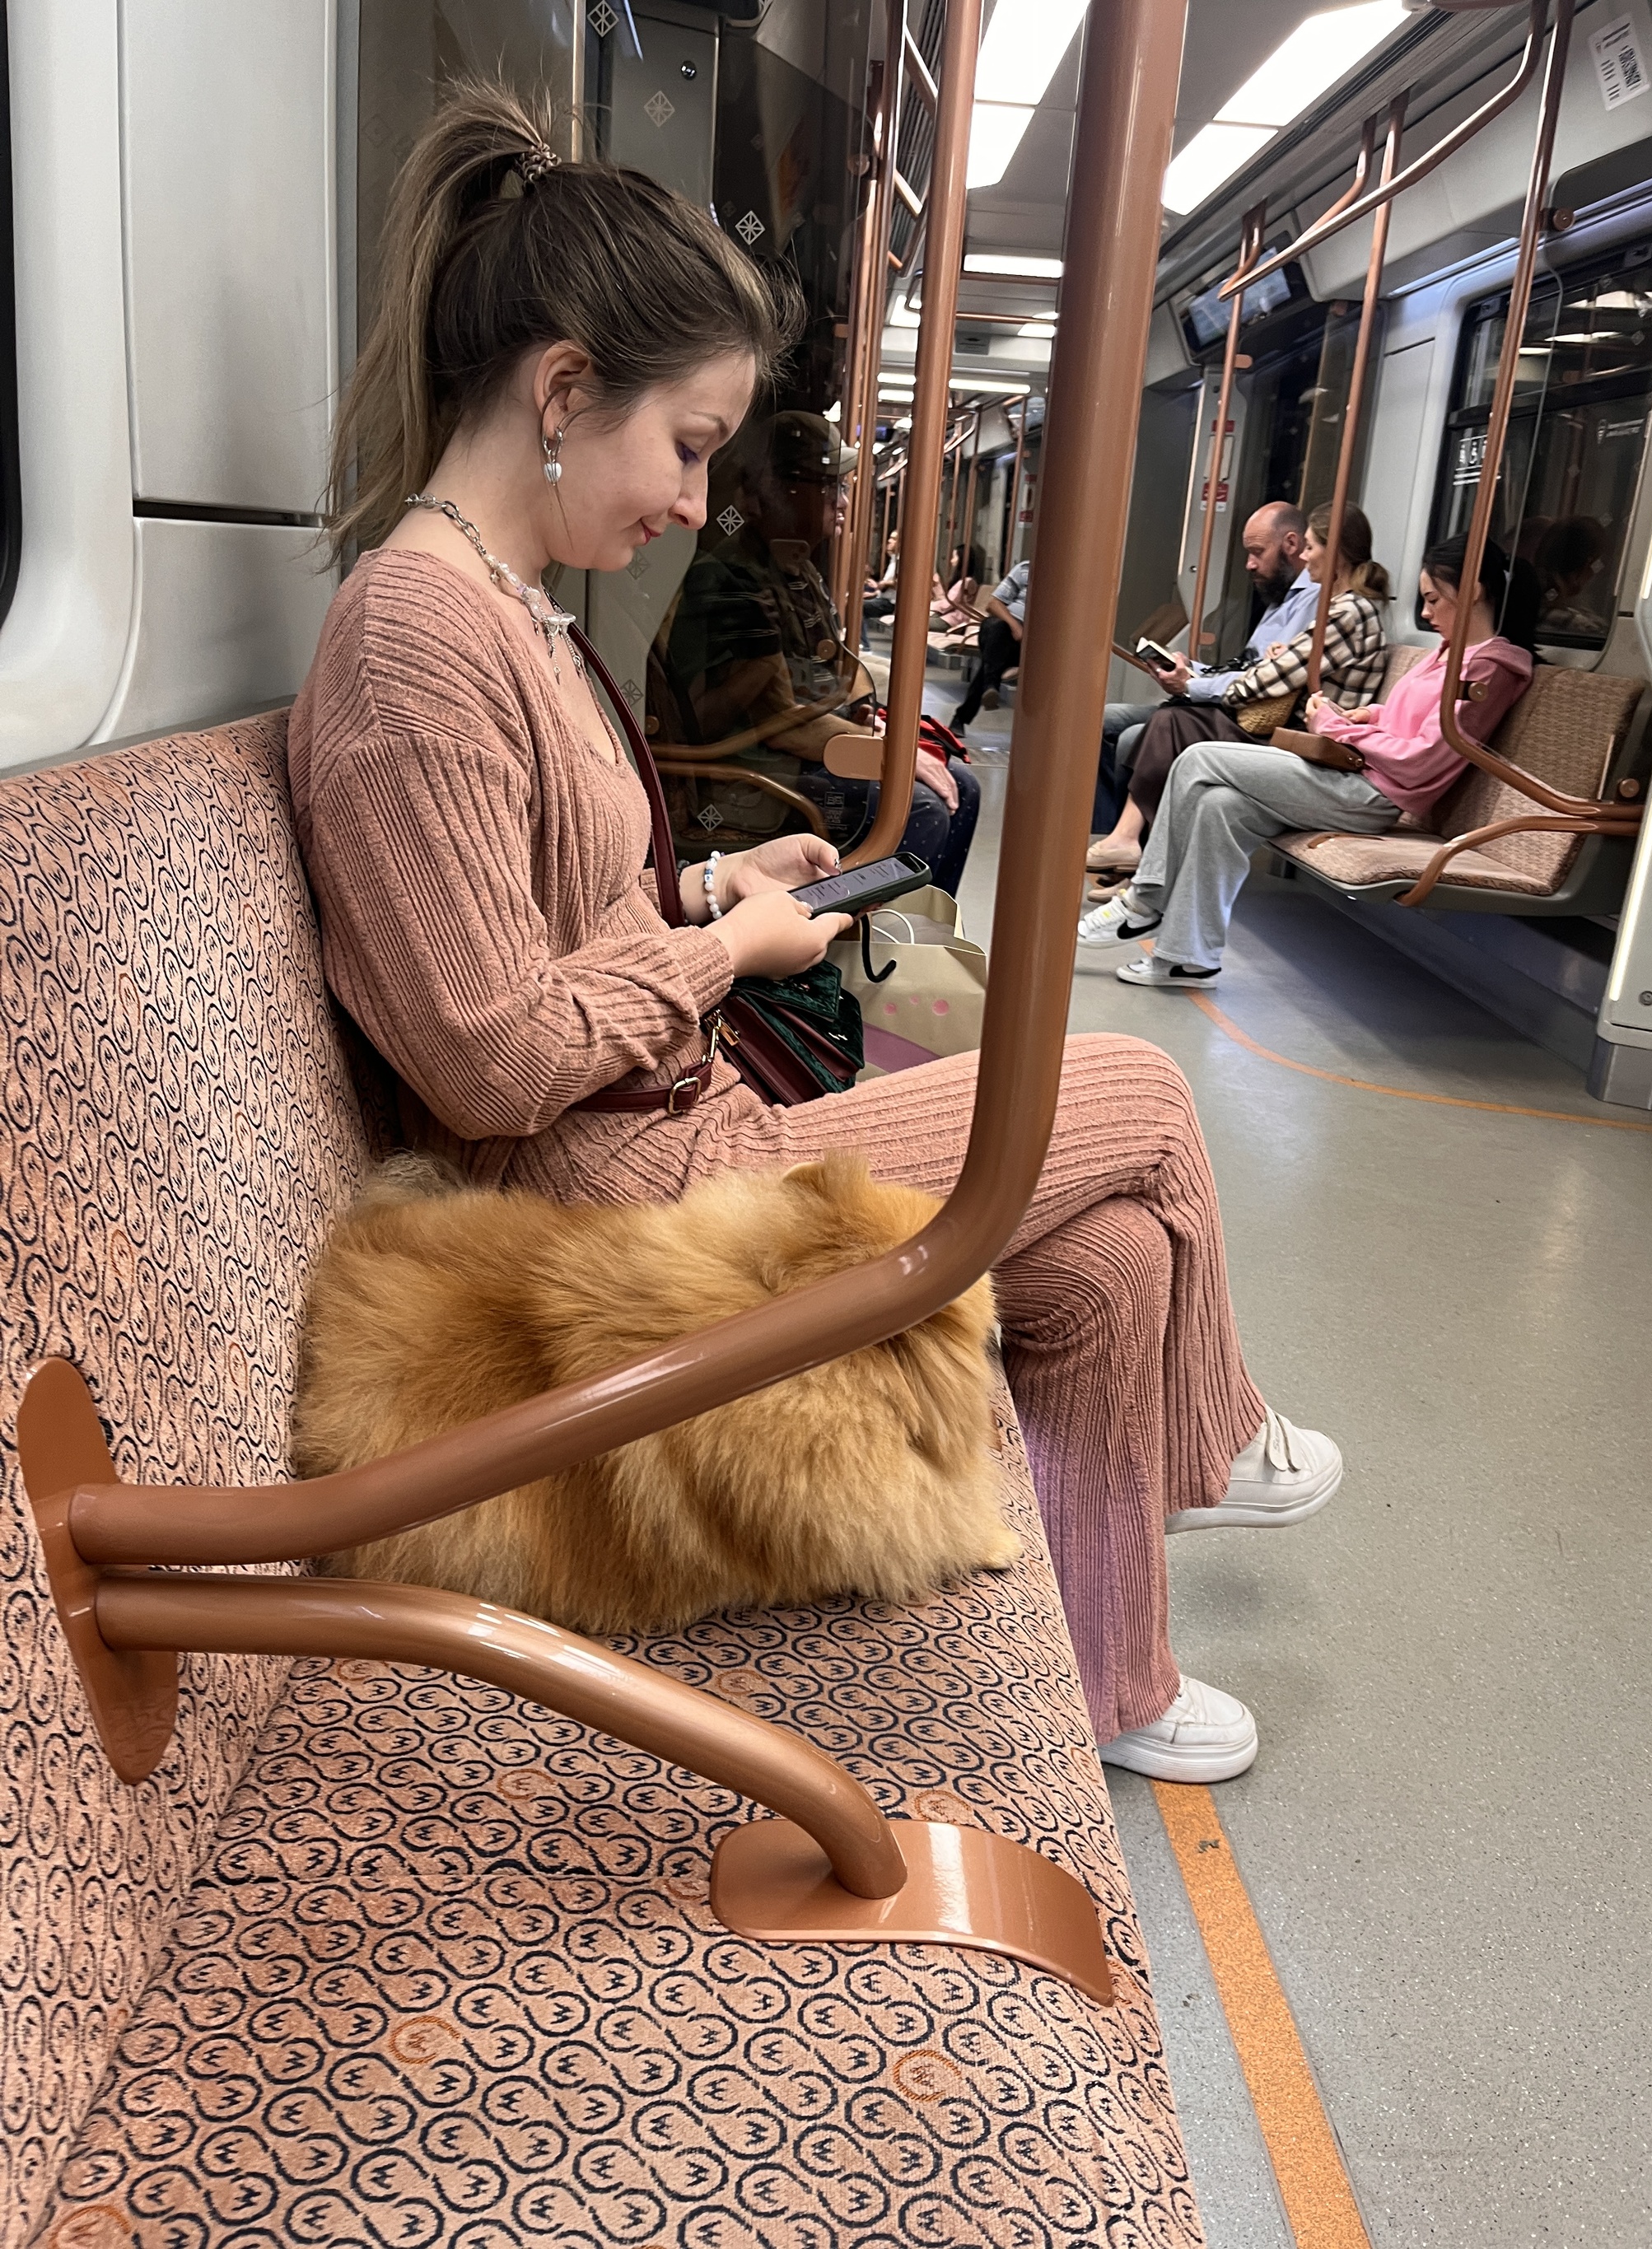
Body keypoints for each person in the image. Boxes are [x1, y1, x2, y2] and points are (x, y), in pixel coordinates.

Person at [290, 82, 1346, 1782]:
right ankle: (1213, 1452)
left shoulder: (509, 612)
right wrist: (724, 958)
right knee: (1136, 1099)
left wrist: (706, 891)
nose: (700, 504)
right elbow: (488, 1059)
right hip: (601, 1224)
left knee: (1111, 1259)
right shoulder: (416, 644)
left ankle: (1117, 1678)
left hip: (670, 1136)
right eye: (690, 446)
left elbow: (547, 925)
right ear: (566, 391)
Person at [1090, 534, 1538, 987]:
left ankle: (1145, 901)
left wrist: (1336, 728)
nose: (1424, 614)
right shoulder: (1448, 654)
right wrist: (1366, 715)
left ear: (1473, 592)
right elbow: (1412, 721)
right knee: (1219, 806)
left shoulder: (1489, 669)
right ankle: (1187, 958)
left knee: (1197, 759)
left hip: (1375, 794)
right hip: (1356, 773)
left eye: (1433, 600)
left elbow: (1424, 758)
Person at [650, 410, 980, 894]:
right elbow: (782, 722)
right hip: (750, 773)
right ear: (774, 491)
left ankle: (911, 935)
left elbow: (823, 673)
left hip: (784, 755)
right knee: (923, 805)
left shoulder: (792, 568)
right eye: (827, 486)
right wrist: (892, 754)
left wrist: (867, 718)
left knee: (962, 787)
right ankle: (844, 942)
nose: (841, 502)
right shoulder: (733, 581)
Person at [1083, 502, 1384, 916]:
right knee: (1173, 720)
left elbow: (1270, 678)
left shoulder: (1348, 612)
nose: (1306, 557)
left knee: (1173, 724)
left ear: (1334, 554)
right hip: (1290, 727)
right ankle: (1133, 857)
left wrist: (1196, 685)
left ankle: (1135, 860)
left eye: (1313, 547)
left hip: (1312, 748)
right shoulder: (1336, 607)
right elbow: (1277, 666)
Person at [949, 556, 1029, 731]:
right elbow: (993, 604)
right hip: (1005, 633)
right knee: (994, 626)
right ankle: (990, 686)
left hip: (1027, 645)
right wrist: (1015, 626)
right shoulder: (1025, 569)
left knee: (991, 664)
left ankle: (988, 687)